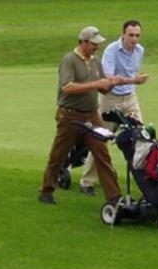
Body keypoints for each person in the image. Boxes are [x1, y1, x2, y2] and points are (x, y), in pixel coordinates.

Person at [39, 26, 124, 205]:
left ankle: (114, 198)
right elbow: (67, 87)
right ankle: (46, 190)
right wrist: (96, 83)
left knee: (102, 154)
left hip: (92, 116)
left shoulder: (95, 61)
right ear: (83, 42)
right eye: (93, 44)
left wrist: (112, 83)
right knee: (59, 155)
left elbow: (102, 88)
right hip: (70, 116)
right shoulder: (69, 60)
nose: (96, 47)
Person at [79, 19, 148, 195]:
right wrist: (134, 80)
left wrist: (132, 81)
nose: (134, 39)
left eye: (137, 35)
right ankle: (87, 181)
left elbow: (131, 73)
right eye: (131, 35)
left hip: (130, 98)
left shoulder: (139, 51)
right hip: (110, 98)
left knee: (141, 137)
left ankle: (146, 180)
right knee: (100, 139)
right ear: (123, 34)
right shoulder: (111, 50)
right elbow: (109, 78)